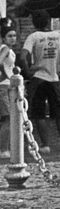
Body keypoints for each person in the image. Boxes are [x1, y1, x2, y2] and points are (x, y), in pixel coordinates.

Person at [23, 9, 60, 153]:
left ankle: (45, 145)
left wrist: (28, 72)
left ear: (34, 23)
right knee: (58, 112)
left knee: (38, 113)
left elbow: (23, 56)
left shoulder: (33, 37)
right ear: (49, 21)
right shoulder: (59, 36)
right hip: (54, 77)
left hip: (38, 77)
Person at [0, 22, 18, 158]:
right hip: (4, 85)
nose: (13, 38)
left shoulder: (8, 50)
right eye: (10, 36)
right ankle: (4, 149)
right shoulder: (5, 48)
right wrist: (7, 76)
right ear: (4, 38)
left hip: (7, 84)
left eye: (14, 35)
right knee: (8, 118)